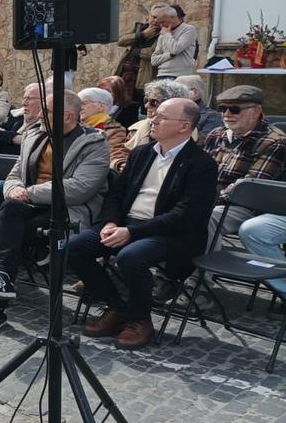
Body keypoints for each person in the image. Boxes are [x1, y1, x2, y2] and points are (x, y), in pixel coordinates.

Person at [67, 97, 218, 349]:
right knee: (73, 246)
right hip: (126, 224)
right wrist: (110, 222)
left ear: (184, 126)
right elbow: (116, 193)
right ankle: (116, 307)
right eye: (154, 114)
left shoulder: (202, 164)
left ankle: (140, 319)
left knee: (131, 257)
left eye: (161, 117)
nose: (153, 120)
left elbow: (185, 214)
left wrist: (131, 231)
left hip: (168, 233)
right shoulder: (142, 152)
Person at [0, 91, 110, 335]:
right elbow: (14, 174)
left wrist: (28, 193)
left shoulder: (94, 144)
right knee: (10, 209)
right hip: (29, 205)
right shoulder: (35, 135)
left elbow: (79, 188)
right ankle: (2, 278)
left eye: (46, 111)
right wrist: (14, 191)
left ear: (68, 116)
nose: (38, 115)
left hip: (68, 210)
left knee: (11, 232)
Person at [201, 85, 286, 245]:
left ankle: (204, 261)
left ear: (256, 111)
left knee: (207, 216)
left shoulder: (275, 141)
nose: (226, 114)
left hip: (245, 206)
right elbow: (199, 172)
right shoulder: (216, 134)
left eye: (234, 109)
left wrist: (201, 201)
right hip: (210, 198)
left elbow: (248, 189)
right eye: (222, 109)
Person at [0, 82, 44, 157]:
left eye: (29, 98)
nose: (24, 103)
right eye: (24, 98)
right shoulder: (17, 117)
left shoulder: (45, 125)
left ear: (44, 101)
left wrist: (4, 137)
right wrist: (15, 137)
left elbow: (29, 148)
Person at [125, 80, 192, 152]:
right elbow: (123, 153)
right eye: (146, 100)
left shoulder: (188, 136)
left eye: (153, 102)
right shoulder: (136, 129)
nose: (146, 105)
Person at [78, 87, 130, 171]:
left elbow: (115, 152)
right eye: (78, 104)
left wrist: (118, 163)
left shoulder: (114, 129)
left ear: (101, 106)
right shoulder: (73, 125)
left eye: (83, 103)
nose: (80, 107)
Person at [114, 16, 158, 102]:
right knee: (120, 101)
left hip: (143, 76)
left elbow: (153, 53)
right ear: (147, 18)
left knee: (139, 101)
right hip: (125, 73)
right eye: (152, 17)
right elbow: (121, 41)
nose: (154, 21)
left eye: (157, 18)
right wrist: (142, 34)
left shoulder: (163, 34)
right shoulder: (139, 28)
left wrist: (137, 51)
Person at [150, 2, 199, 78]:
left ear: (172, 17)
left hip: (180, 76)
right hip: (161, 74)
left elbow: (175, 50)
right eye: (159, 23)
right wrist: (169, 55)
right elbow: (153, 60)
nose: (161, 25)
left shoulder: (188, 29)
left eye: (163, 22)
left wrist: (167, 34)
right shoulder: (163, 32)